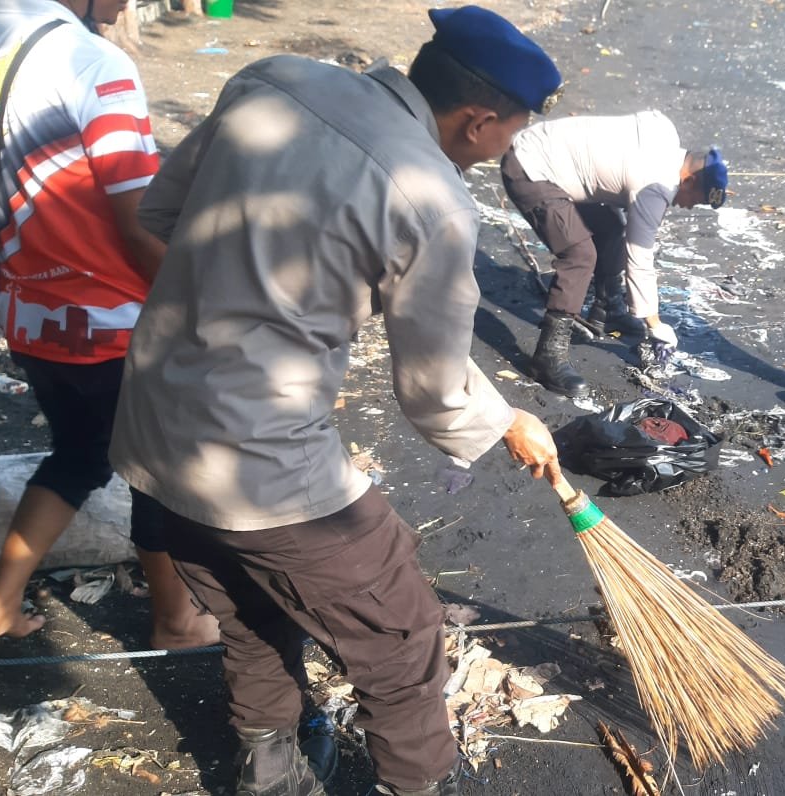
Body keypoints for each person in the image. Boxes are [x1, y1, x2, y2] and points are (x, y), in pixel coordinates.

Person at [107, 7, 562, 796]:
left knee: (250, 612)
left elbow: (160, 215)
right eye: (512, 134)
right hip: (260, 461)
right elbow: (434, 394)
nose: (507, 150)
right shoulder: (434, 201)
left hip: (151, 429)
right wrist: (509, 422)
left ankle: (270, 773)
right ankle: (418, 785)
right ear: (480, 121)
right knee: (402, 633)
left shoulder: (272, 78)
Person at [0, 0, 215, 648]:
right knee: (157, 474)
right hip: (115, 324)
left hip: (32, 317)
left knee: (79, 456)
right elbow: (140, 220)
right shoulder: (91, 62)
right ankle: (175, 619)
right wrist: (201, 313)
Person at [499, 111, 728, 396]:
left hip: (551, 158)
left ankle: (607, 310)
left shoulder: (665, 135)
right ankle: (548, 355)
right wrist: (654, 324)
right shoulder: (655, 184)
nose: (691, 206)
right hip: (530, 167)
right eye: (696, 199)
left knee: (612, 228)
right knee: (579, 254)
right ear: (690, 180)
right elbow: (640, 257)